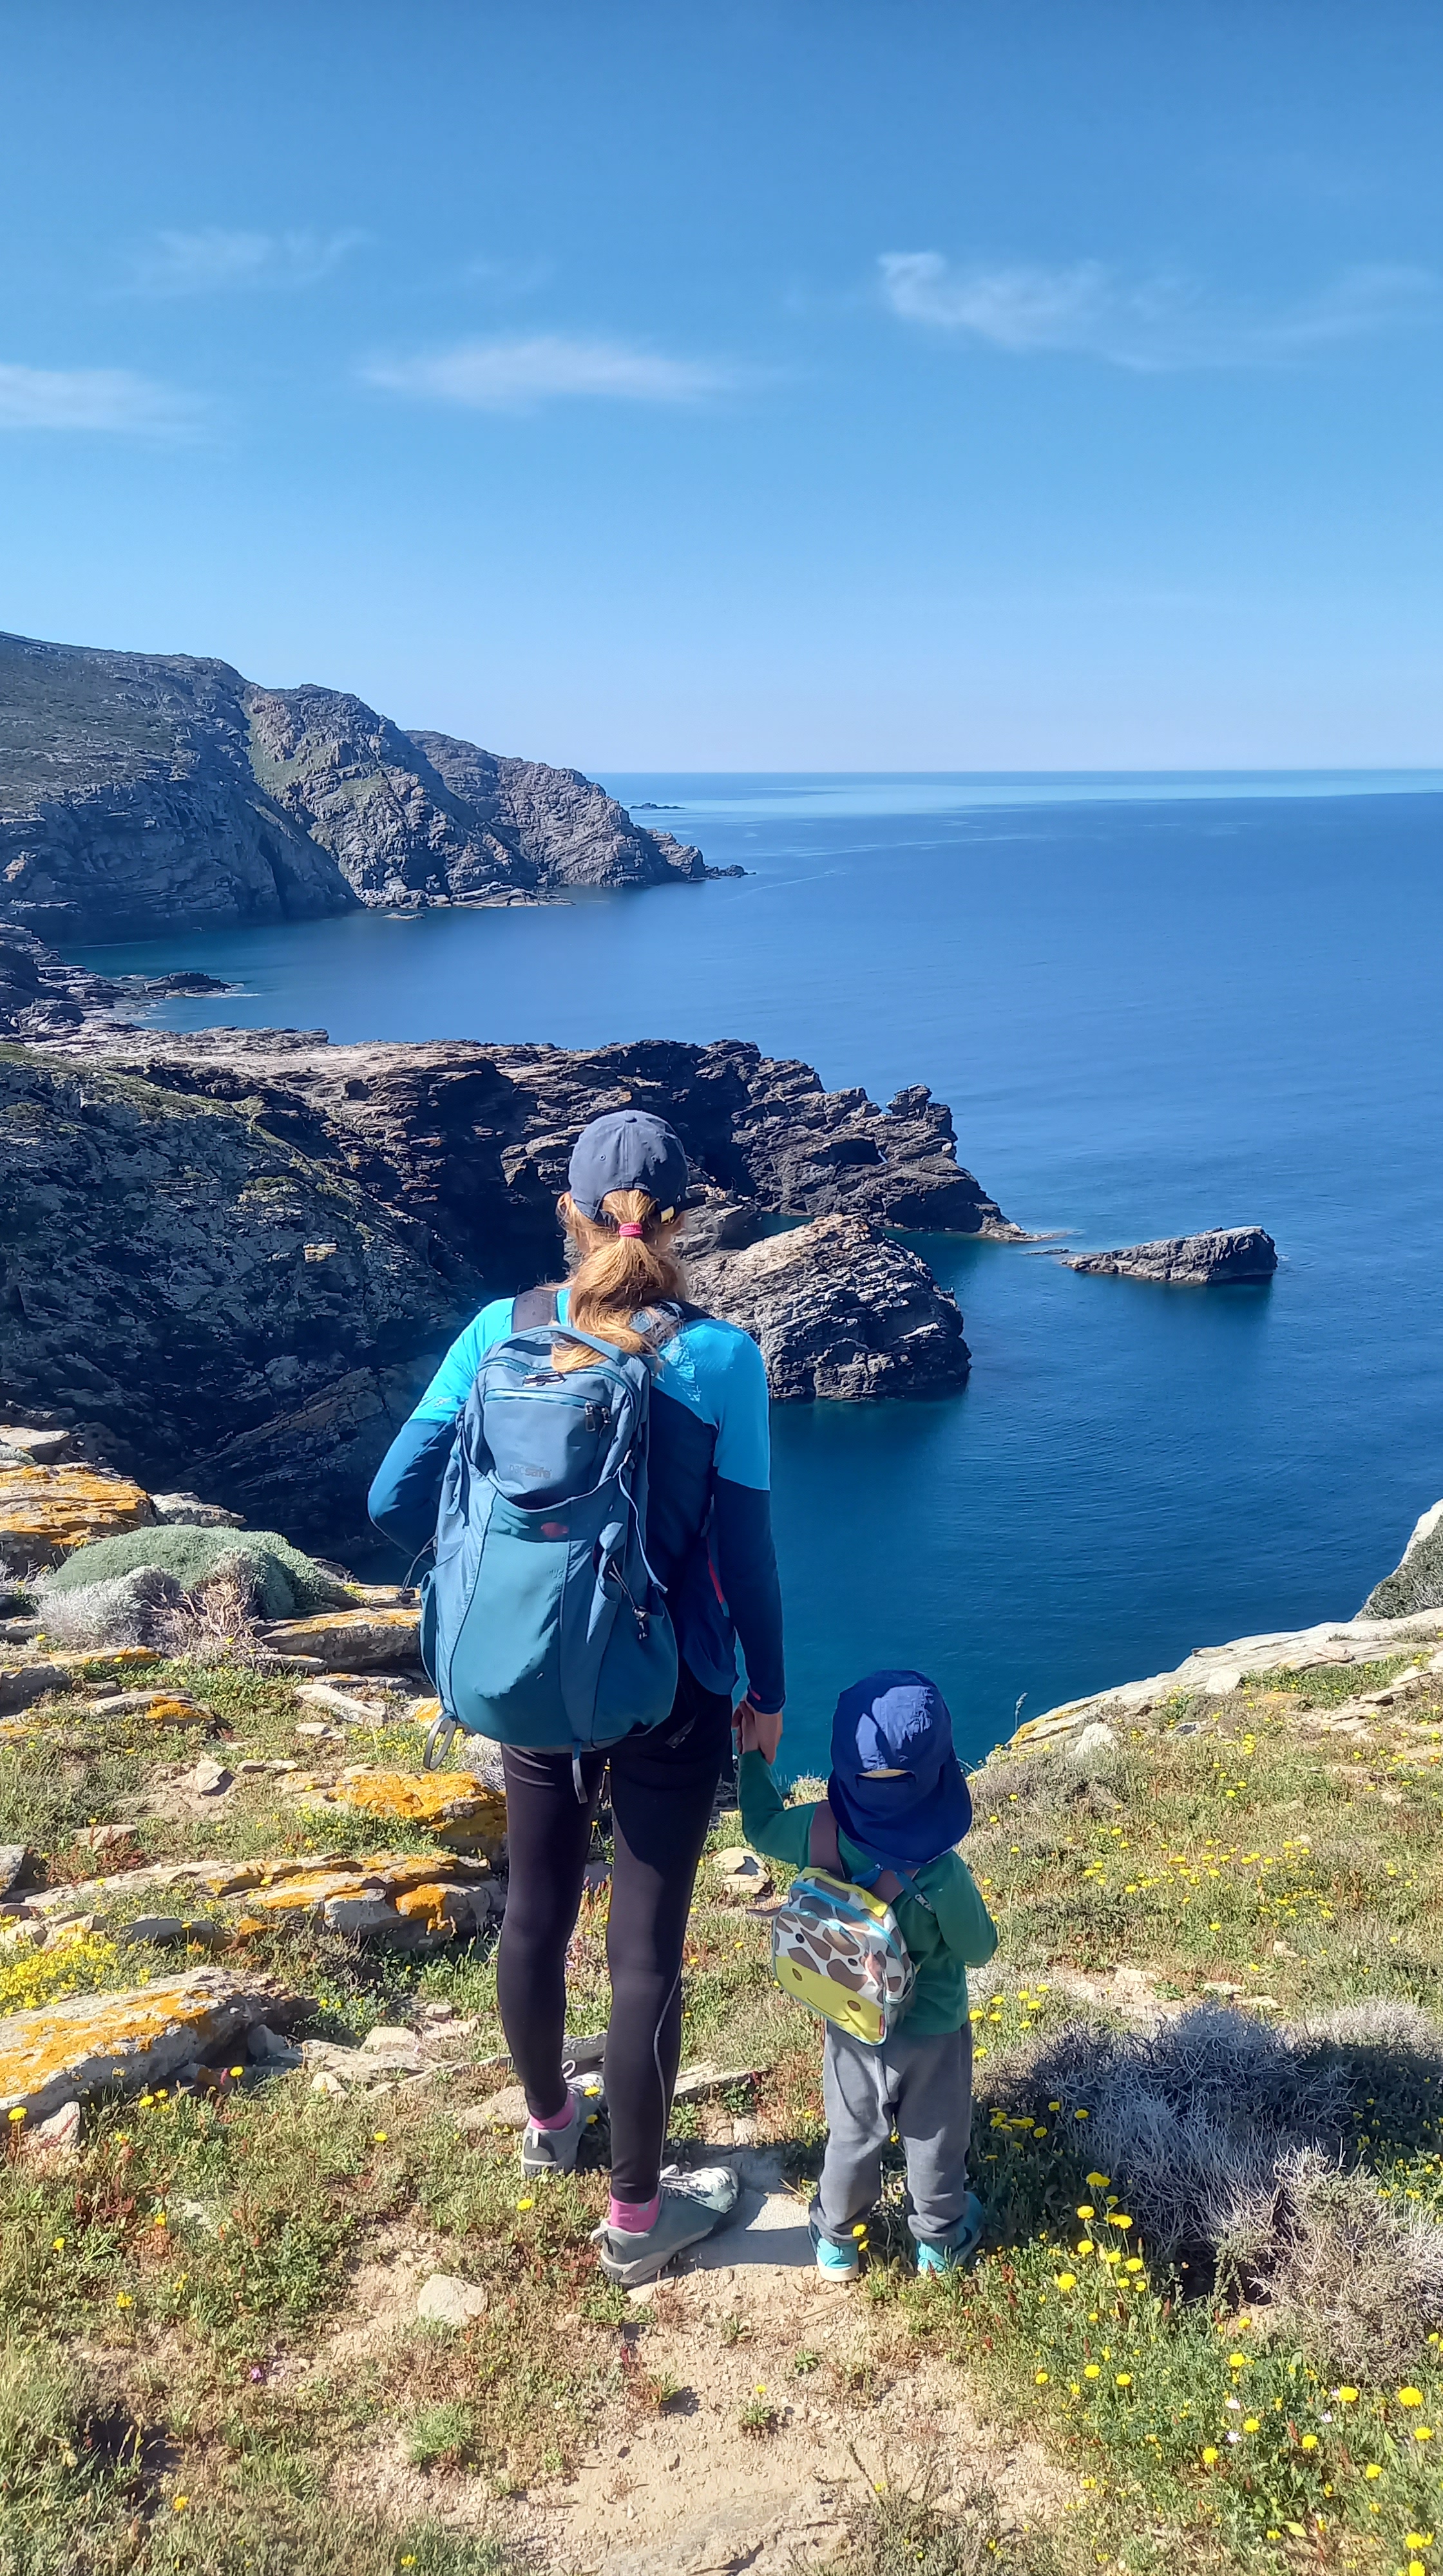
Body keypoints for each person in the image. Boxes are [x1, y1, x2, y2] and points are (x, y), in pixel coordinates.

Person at [367, 1108, 785, 2286]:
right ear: (683, 1219)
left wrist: (485, 1570)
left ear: (571, 1212)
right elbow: (747, 1558)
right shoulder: (721, 1359)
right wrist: (767, 1691)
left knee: (537, 1908)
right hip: (671, 1685)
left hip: (527, 1670)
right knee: (644, 1947)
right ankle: (637, 2220)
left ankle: (550, 2123)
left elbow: (392, 1498)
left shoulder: (498, 1331)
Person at [738, 1669, 996, 2280]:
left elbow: (760, 1825)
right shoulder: (940, 1872)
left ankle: (836, 2241)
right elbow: (980, 1949)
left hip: (852, 2016)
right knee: (935, 2137)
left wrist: (752, 1756)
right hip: (934, 2026)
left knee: (852, 2132)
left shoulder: (818, 1830)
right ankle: (939, 2242)